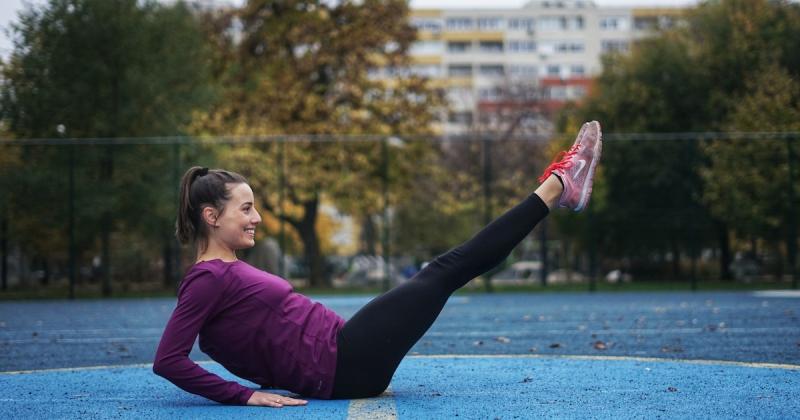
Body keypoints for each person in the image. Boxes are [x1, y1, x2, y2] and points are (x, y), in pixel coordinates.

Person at [153, 121, 603, 407]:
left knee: (446, 271)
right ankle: (558, 184)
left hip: (347, 354)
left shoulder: (222, 272)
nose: (257, 218)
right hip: (345, 364)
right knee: (446, 270)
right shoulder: (208, 278)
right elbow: (168, 361)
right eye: (245, 209)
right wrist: (244, 396)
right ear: (211, 217)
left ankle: (558, 186)